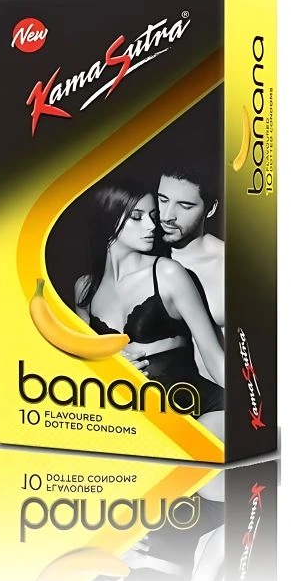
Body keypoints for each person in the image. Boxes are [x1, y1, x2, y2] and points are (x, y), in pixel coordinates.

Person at [74, 179, 224, 438]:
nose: (152, 225)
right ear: (108, 219)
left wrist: (252, 410)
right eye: (137, 217)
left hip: (204, 410)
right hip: (133, 420)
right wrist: (110, 362)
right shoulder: (85, 289)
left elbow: (213, 356)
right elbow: (84, 368)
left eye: (153, 216)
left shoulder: (168, 273)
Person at [157, 161, 225, 382]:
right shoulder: (138, 256)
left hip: (215, 395)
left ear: (210, 208)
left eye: (185, 206)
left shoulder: (230, 266)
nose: (167, 216)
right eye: (162, 200)